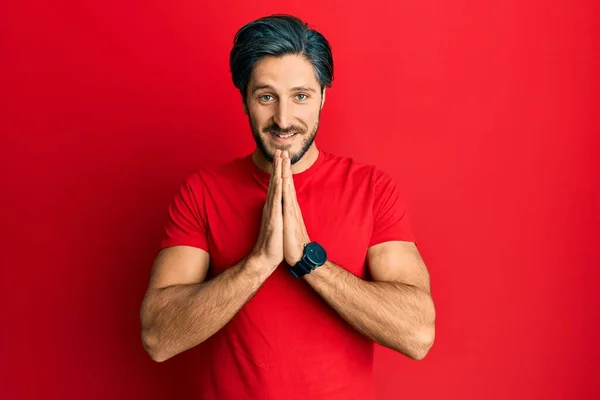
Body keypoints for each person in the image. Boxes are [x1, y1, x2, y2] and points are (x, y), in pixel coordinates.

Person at [140, 14, 436, 400]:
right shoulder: (201, 192)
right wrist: (259, 262)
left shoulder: (372, 189)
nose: (283, 119)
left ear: (323, 97)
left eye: (300, 96)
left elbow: (417, 335)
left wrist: (309, 263)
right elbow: (158, 337)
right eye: (266, 96)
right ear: (245, 99)